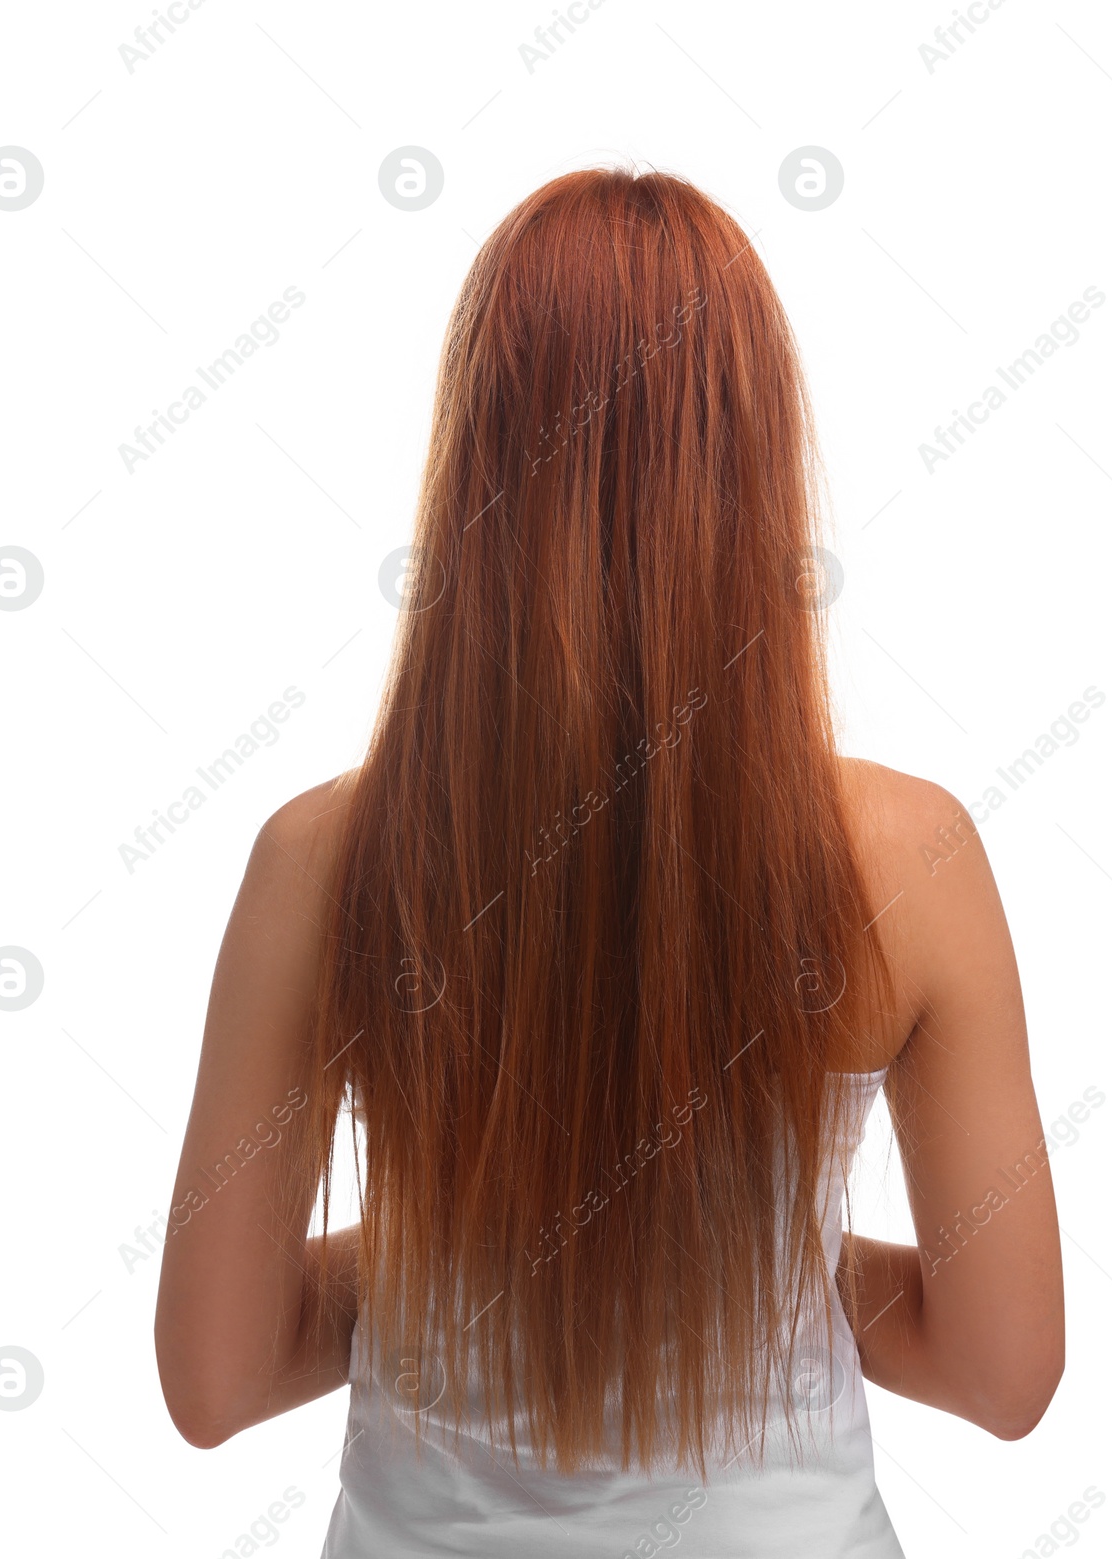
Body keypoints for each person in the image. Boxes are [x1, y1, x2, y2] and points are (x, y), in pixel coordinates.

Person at [154, 166, 1064, 1559]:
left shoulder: (322, 865)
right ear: (757, 461)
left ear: (478, 464)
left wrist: (470, 1256)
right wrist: (761, 1274)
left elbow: (215, 1381)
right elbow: (1004, 1375)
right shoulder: (908, 860)